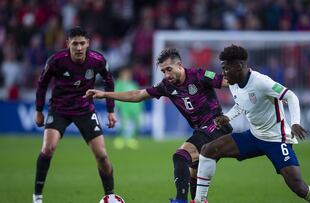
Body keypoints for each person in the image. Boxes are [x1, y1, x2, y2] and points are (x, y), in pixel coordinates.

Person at [85, 48, 232, 203]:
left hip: (217, 126)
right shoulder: (166, 86)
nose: (167, 75)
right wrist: (105, 94)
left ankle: (179, 200)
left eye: (169, 69)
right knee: (194, 170)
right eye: (163, 71)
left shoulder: (199, 75)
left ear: (179, 65)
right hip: (202, 132)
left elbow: (229, 81)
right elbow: (138, 95)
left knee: (181, 156)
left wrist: (251, 82)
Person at [194, 45, 310, 203]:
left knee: (298, 187)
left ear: (239, 66)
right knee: (208, 150)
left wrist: (295, 123)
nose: (223, 73)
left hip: (276, 139)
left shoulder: (261, 82)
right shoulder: (233, 82)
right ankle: (199, 200)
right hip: (255, 136)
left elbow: (291, 96)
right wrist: (228, 117)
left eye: (226, 68)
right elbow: (241, 103)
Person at [33, 27, 117, 203]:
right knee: (48, 148)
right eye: (75, 44)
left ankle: (110, 196)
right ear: (67, 44)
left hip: (85, 110)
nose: (79, 48)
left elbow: (109, 81)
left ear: (88, 44)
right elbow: (42, 84)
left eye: (82, 43)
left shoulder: (97, 60)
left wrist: (110, 110)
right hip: (59, 109)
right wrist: (39, 110)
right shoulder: (56, 61)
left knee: (102, 155)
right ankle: (37, 196)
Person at [113, 67, 143, 149]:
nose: (127, 76)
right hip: (124, 108)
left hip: (134, 108)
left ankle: (131, 140)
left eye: (128, 74)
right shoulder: (119, 84)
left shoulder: (133, 84)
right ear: (121, 75)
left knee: (135, 124)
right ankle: (120, 140)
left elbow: (140, 95)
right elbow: (116, 95)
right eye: (125, 74)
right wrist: (117, 106)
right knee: (123, 124)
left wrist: (140, 106)